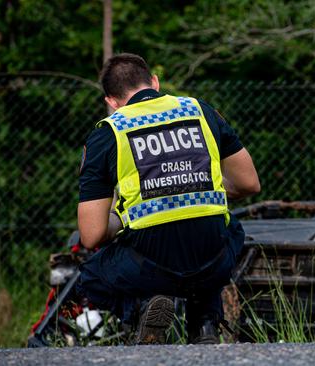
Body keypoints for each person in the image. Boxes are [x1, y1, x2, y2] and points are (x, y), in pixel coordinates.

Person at [75, 53, 260, 344]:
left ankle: (143, 308)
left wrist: (124, 214)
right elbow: (249, 183)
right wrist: (193, 187)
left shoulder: (107, 134)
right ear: (155, 82)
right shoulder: (200, 110)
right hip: (212, 259)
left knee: (90, 277)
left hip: (150, 265)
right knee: (230, 230)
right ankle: (205, 322)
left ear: (111, 101)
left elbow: (91, 234)